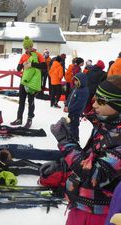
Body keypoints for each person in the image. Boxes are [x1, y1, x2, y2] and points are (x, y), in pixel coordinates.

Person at [51, 75, 121, 225]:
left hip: (101, 214)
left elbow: (95, 176)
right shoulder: (105, 125)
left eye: (101, 101)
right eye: (95, 98)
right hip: (82, 206)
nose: (94, 104)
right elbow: (89, 158)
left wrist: (66, 142)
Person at [10, 36, 46, 128]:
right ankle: (19, 118)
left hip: (32, 83)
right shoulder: (23, 56)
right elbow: (18, 68)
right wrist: (23, 64)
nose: (27, 49)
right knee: (21, 101)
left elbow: (44, 66)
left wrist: (32, 64)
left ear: (31, 46)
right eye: (26, 48)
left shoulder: (38, 55)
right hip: (23, 82)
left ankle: (29, 120)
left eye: (29, 47)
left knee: (31, 101)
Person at [65, 72, 89, 141]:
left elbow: (79, 103)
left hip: (76, 112)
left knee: (74, 125)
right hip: (71, 111)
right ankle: (71, 136)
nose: (75, 82)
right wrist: (66, 104)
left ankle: (75, 139)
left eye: (76, 80)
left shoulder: (84, 91)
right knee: (70, 124)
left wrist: (69, 109)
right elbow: (70, 96)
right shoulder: (76, 88)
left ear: (81, 81)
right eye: (74, 80)